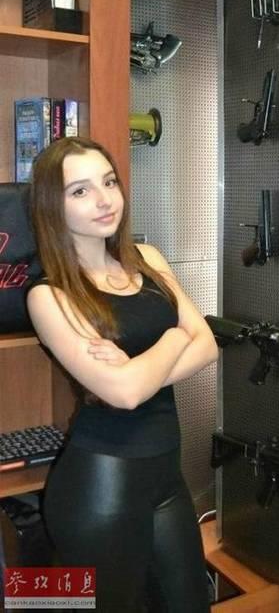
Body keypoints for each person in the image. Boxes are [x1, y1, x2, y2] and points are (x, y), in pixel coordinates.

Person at [26, 136, 218, 613]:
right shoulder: (49, 296)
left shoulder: (147, 259)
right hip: (100, 490)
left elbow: (208, 345)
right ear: (53, 206)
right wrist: (173, 338)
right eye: (80, 191)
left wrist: (140, 366)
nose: (104, 199)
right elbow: (126, 393)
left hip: (167, 478)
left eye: (109, 182)